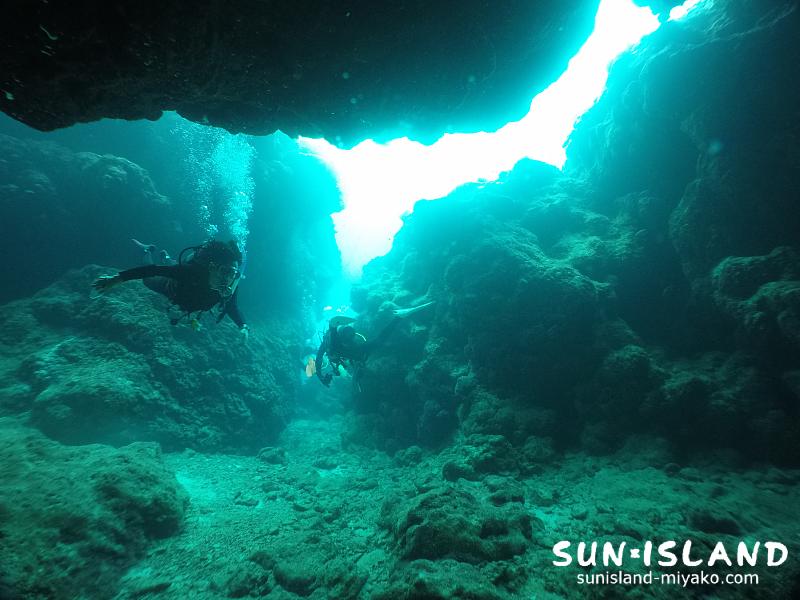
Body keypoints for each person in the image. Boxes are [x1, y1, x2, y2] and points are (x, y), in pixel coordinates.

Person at [92, 239, 249, 336]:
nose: (228, 279)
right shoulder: (191, 272)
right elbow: (153, 270)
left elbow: (231, 307)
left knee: (174, 266)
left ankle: (167, 257)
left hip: (182, 282)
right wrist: (117, 278)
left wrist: (243, 326)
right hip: (168, 287)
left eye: (233, 274)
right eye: (225, 272)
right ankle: (147, 250)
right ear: (212, 267)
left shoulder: (230, 284)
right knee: (148, 279)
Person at [314, 301, 434, 386]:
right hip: (351, 345)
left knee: (339, 349)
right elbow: (320, 358)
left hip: (344, 342)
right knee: (378, 342)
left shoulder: (328, 345)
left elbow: (319, 358)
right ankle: (399, 317)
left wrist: (320, 376)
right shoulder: (346, 348)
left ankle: (333, 326)